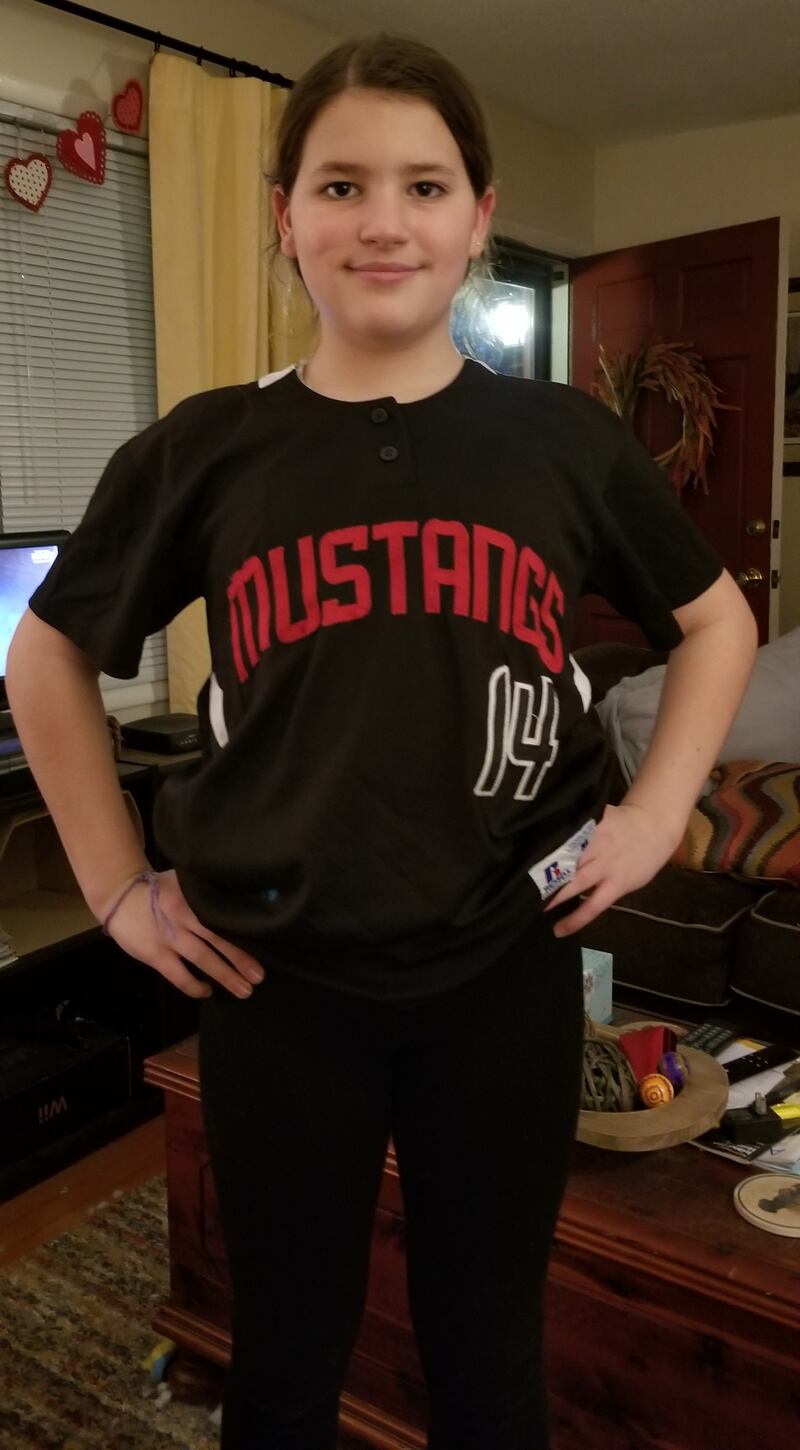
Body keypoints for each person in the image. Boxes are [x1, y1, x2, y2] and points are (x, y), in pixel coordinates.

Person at [6, 31, 757, 1450]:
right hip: (280, 987)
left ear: (479, 217)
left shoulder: (562, 442)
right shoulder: (207, 448)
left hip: (503, 976)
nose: (383, 222)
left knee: (489, 1355)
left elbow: (717, 620)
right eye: (341, 185)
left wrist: (657, 815)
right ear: (285, 215)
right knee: (286, 1360)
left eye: (425, 186)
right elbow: (46, 653)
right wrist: (111, 889)